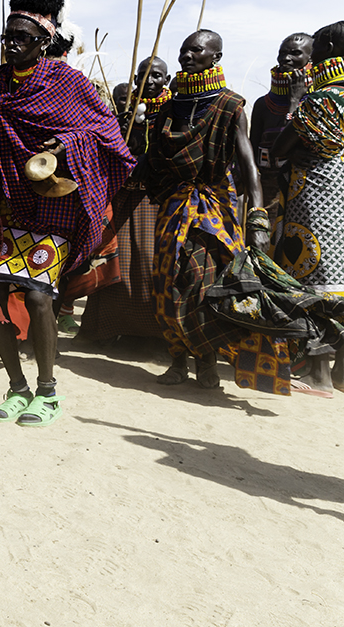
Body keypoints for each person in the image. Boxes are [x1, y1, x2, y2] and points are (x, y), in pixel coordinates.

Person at [0, 0, 135, 425]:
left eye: (22, 38)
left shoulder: (68, 81)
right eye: (7, 36)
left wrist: (67, 144)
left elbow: (108, 135)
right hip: (13, 201)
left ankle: (47, 393)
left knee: (37, 295)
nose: (11, 44)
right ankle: (17, 388)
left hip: (57, 205)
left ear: (44, 41)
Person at [139, 30, 270, 389]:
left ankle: (206, 361)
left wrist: (258, 217)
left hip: (213, 209)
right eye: (184, 50)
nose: (187, 56)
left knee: (203, 284)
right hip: (174, 207)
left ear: (216, 57)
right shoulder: (169, 108)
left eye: (196, 50)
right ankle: (177, 360)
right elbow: (154, 159)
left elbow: (249, 165)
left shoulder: (230, 106)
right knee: (167, 283)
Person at [272, 22, 344, 394]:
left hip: (316, 197)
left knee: (314, 279)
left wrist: (299, 99)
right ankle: (341, 374)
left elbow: (280, 148)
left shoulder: (322, 98)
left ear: (327, 48)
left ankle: (318, 375)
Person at [78, 57, 171, 342]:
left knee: (149, 263)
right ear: (135, 79)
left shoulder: (172, 112)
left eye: (156, 76)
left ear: (166, 81)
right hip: (121, 196)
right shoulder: (123, 115)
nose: (149, 81)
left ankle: (150, 336)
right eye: (143, 75)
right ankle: (109, 328)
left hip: (155, 199)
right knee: (113, 261)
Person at [250, 33, 313, 202]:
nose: (286, 58)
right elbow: (252, 152)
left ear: (311, 58)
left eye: (295, 53)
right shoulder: (263, 105)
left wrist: (294, 101)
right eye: (282, 53)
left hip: (305, 193)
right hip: (267, 193)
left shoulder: (316, 102)